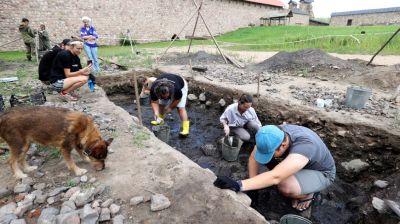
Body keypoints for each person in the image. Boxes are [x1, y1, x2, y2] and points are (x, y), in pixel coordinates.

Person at [214, 124, 336, 212]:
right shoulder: (271, 134)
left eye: (272, 153)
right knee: (268, 158)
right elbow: (253, 157)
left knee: (285, 186)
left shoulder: (305, 146)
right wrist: (253, 188)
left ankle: (308, 194)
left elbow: (275, 177)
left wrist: (238, 185)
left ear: (283, 145)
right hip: (298, 162)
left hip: (322, 172)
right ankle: (294, 176)